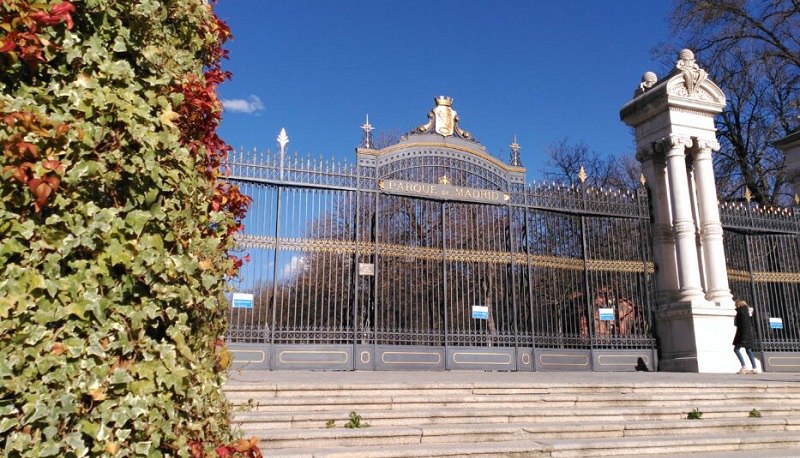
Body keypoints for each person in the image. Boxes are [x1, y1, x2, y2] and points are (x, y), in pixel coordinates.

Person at [732, 300, 759, 374]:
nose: (735, 306)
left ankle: (744, 367)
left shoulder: (741, 312)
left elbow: (743, 325)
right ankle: (755, 368)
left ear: (738, 304)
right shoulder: (746, 312)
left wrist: (743, 338)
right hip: (748, 335)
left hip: (742, 335)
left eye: (736, 305)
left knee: (736, 349)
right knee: (748, 350)